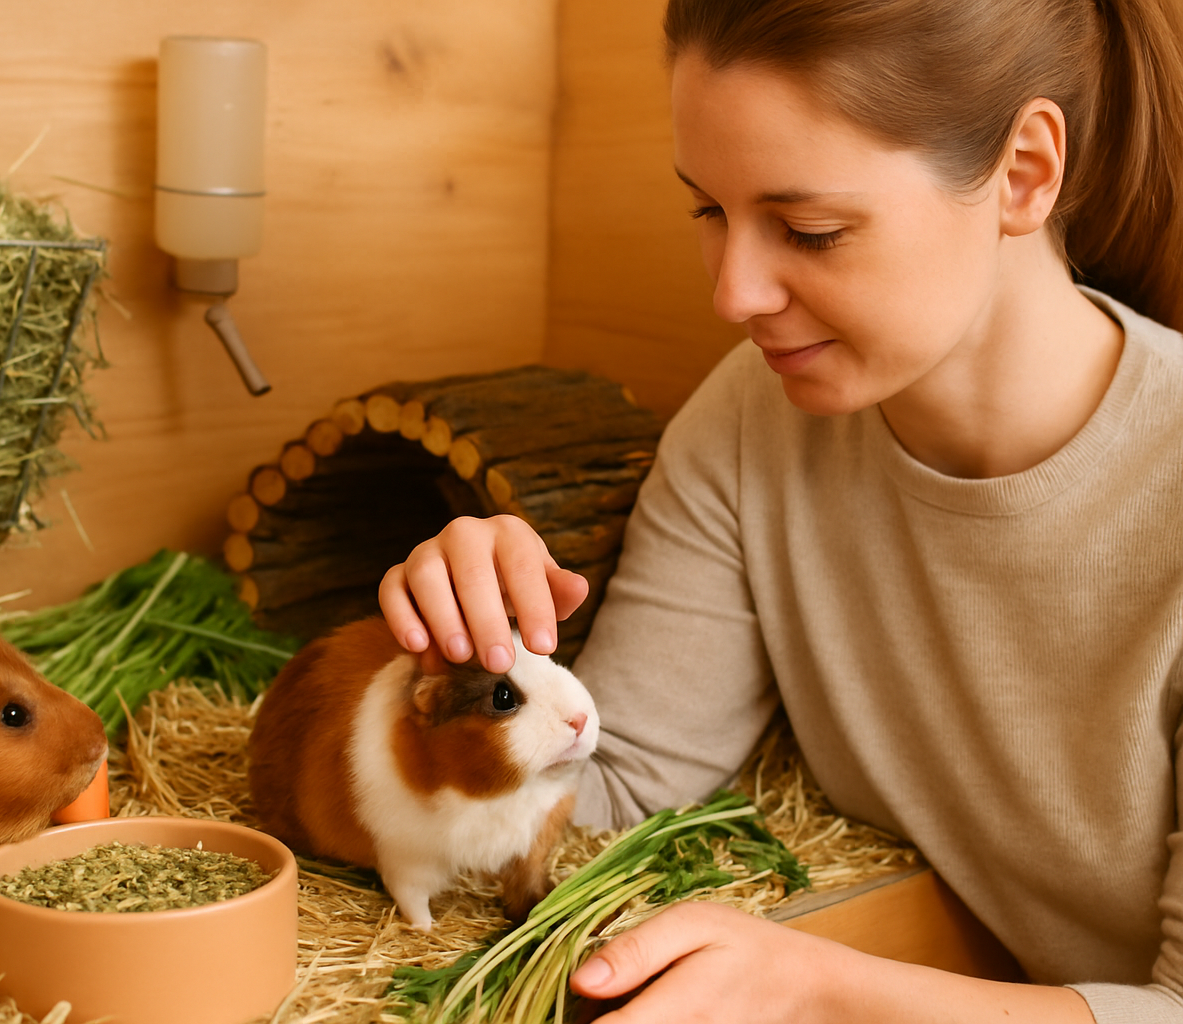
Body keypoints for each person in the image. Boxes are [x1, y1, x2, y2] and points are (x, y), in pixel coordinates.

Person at [377, 0, 1183, 1020]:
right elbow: (608, 804)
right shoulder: (753, 419)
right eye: (708, 211)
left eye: (810, 230)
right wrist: (468, 664)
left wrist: (822, 989)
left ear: (1022, 173)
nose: (733, 293)